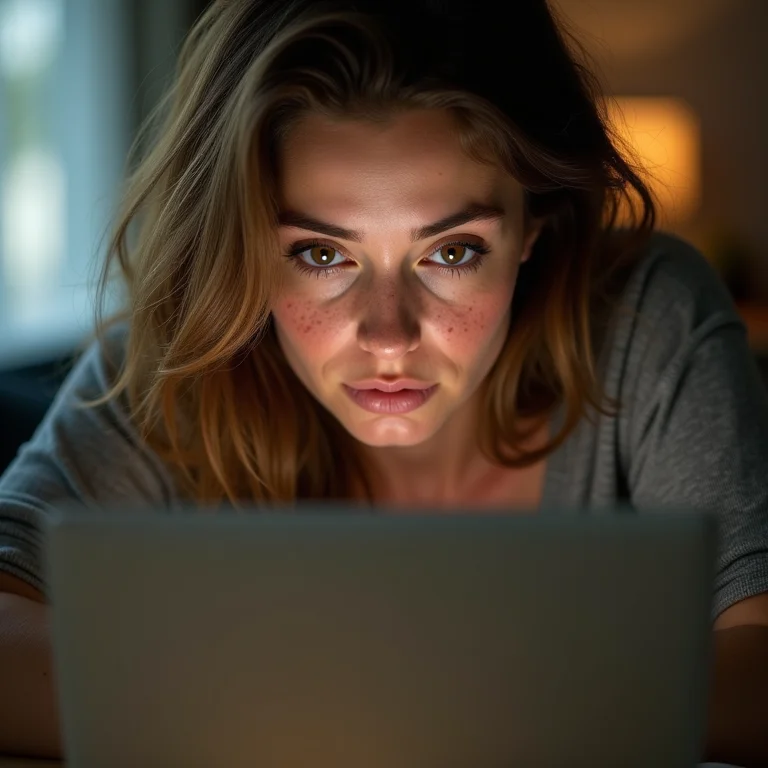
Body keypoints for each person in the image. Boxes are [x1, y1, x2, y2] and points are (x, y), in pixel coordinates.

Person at [1, 0, 767, 761]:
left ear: (536, 224)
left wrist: (280, 705)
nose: (389, 334)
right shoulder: (180, 365)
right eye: (323, 255)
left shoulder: (646, 317)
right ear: (244, 243)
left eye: (454, 251)